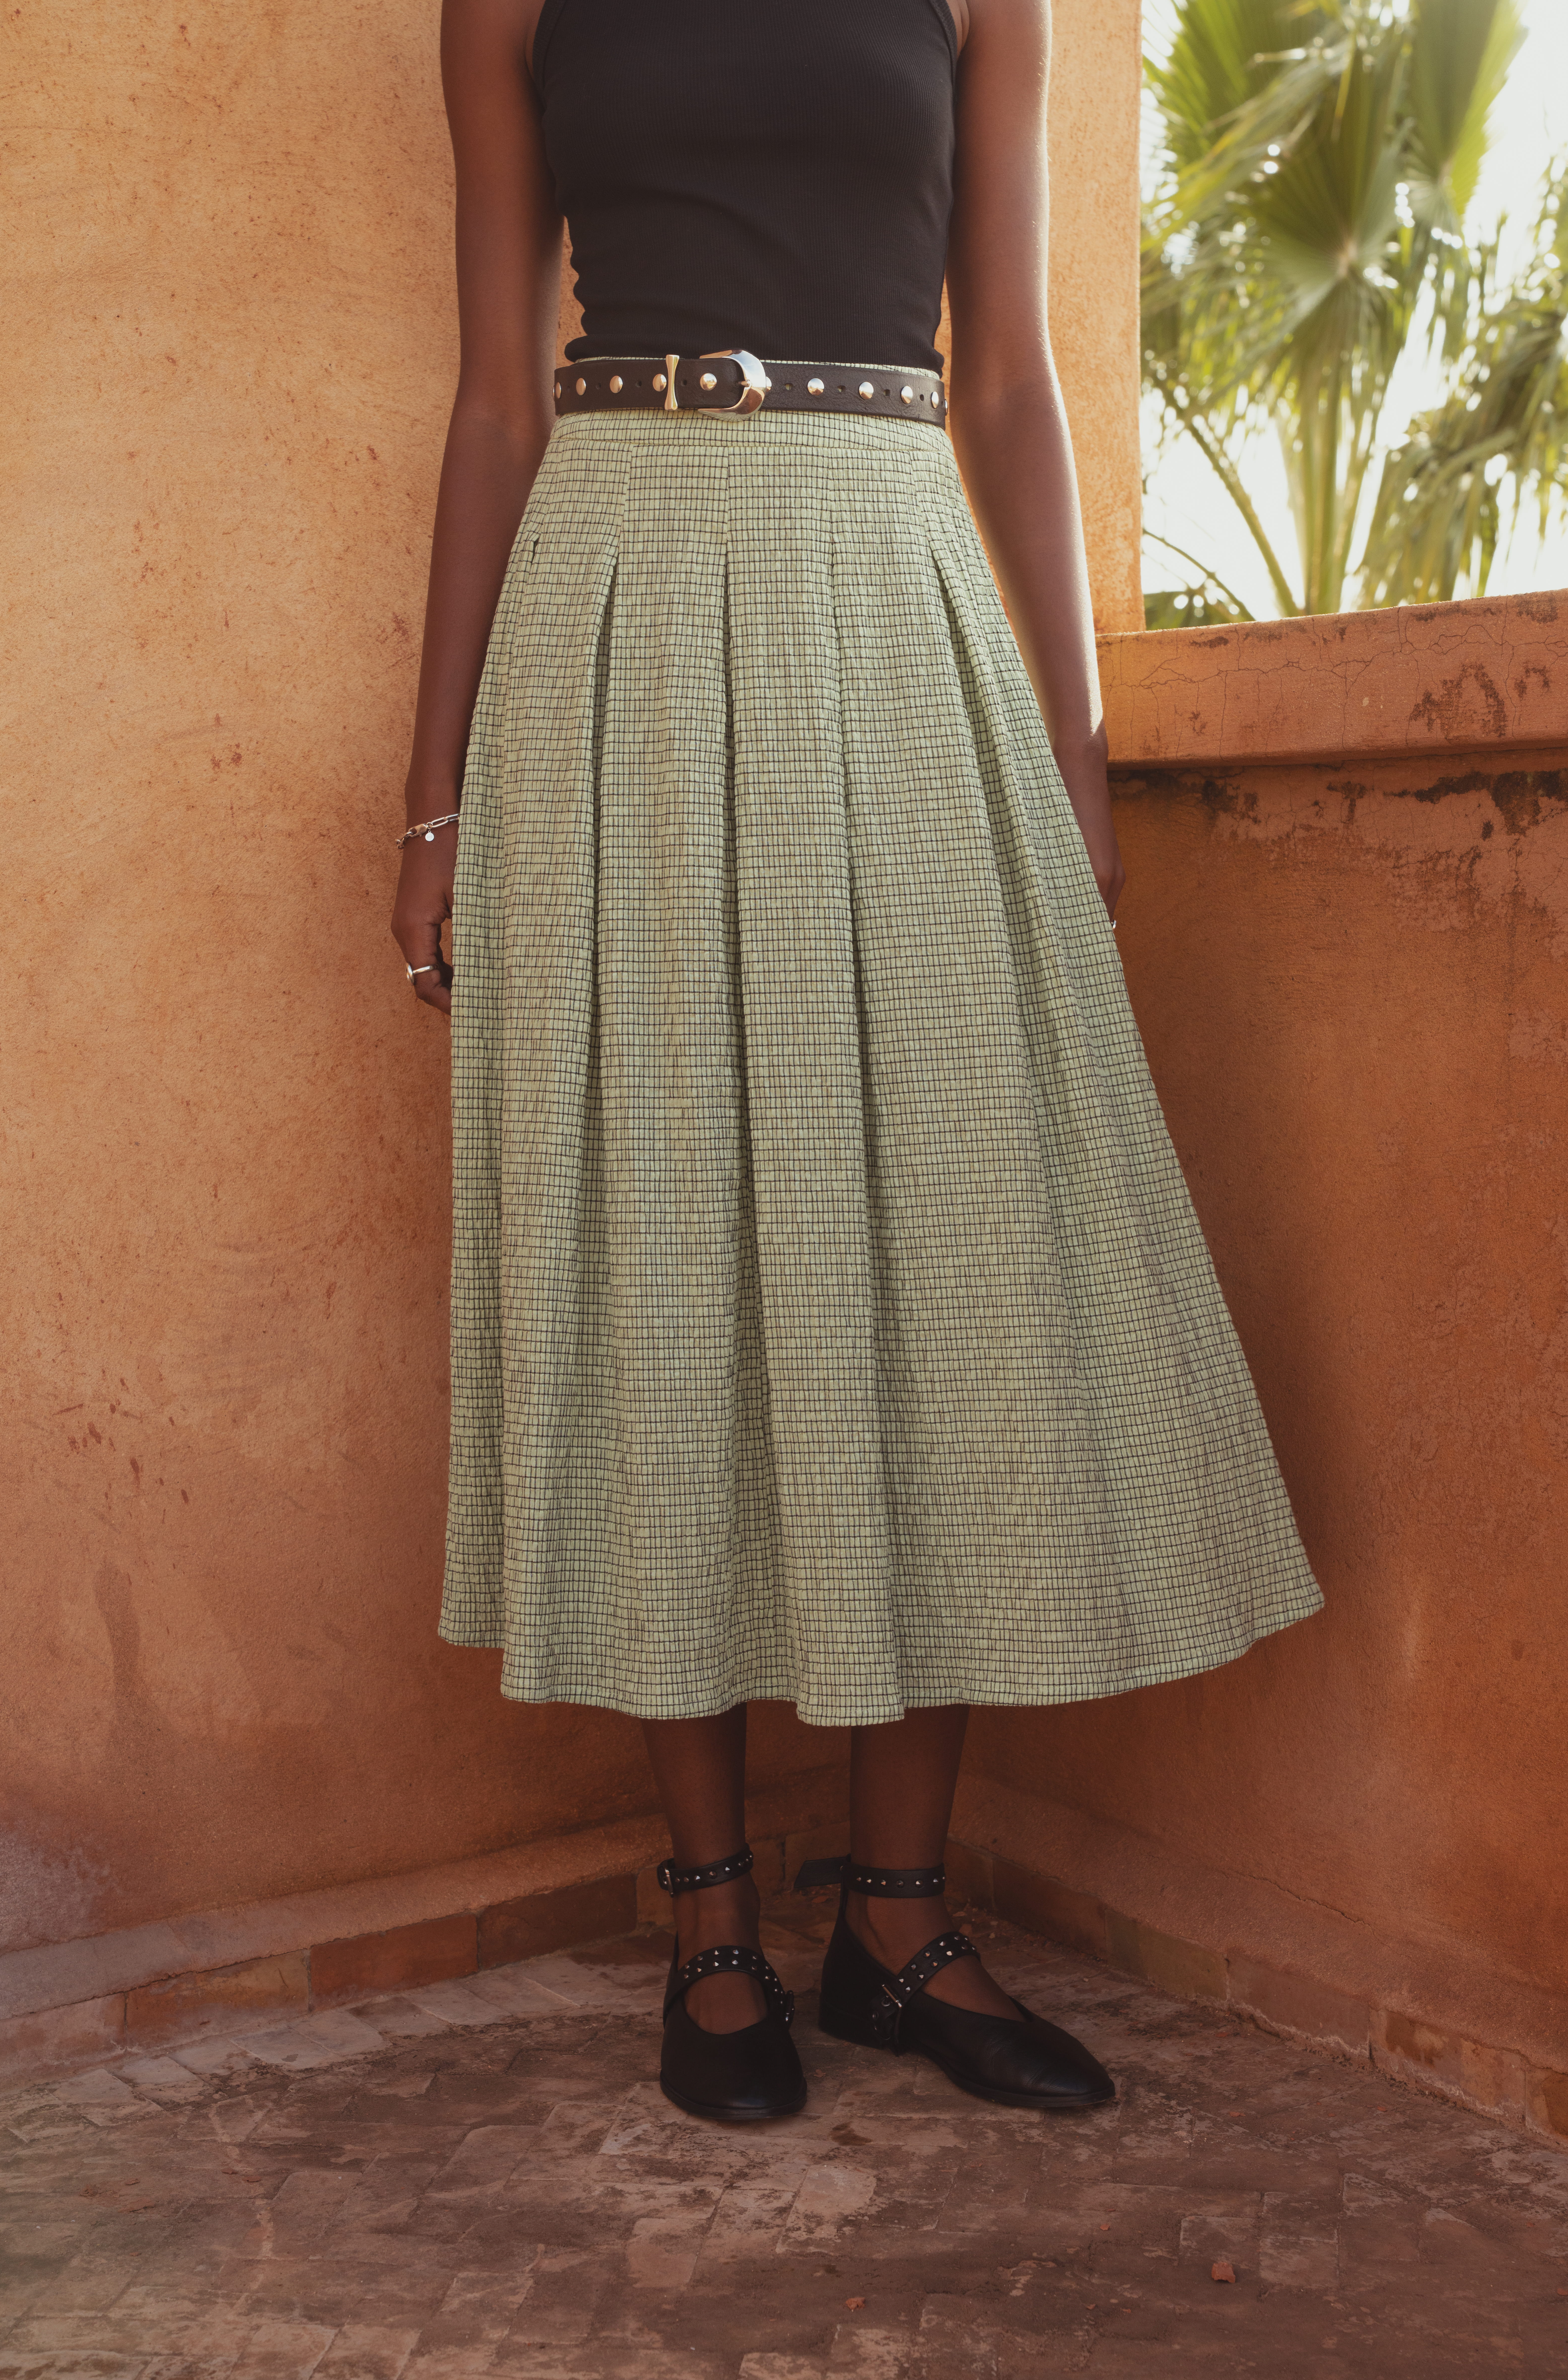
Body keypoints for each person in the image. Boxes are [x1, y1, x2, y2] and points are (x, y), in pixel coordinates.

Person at [391, 0, 1323, 2126]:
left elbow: (1010, 376)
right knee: (663, 1255)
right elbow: (492, 398)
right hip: (617, 606)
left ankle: (898, 1923)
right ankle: (711, 1922)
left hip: (900, 600)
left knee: (951, 1249)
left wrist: (1072, 744)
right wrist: (433, 793)